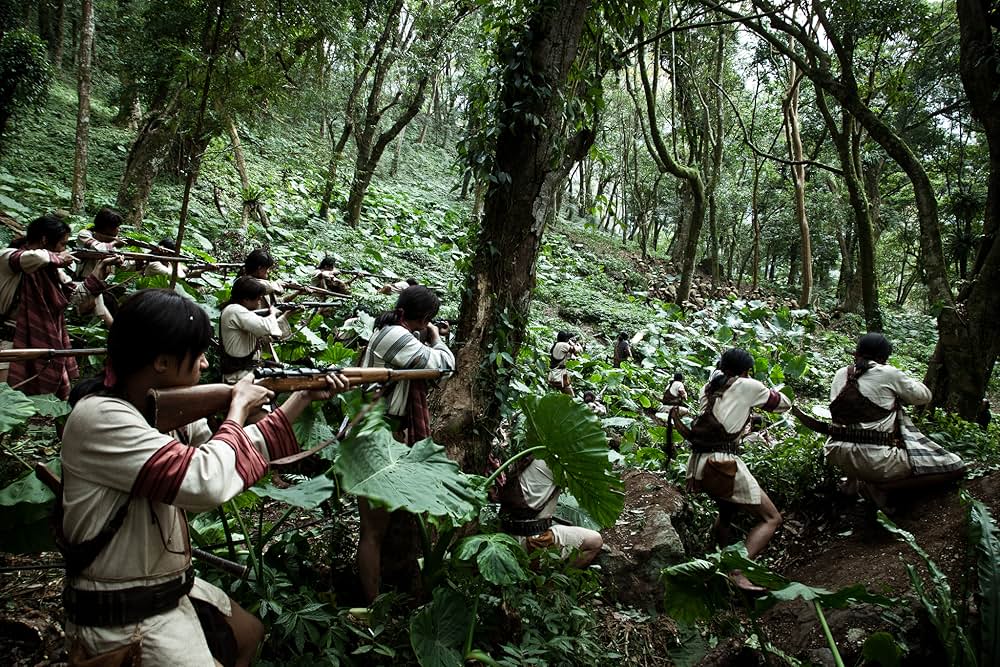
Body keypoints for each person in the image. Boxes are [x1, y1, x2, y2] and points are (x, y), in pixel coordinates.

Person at [59, 288, 349, 666]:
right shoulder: (99, 418)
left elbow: (224, 453)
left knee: (248, 635)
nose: (205, 364)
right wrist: (237, 408)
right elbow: (206, 480)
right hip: (122, 610)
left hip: (163, 590)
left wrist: (300, 398)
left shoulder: (160, 414)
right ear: (162, 362)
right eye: (196, 356)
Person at [357, 285, 454, 602]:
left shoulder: (391, 332)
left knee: (380, 529)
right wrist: (437, 337)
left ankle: (379, 596)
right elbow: (442, 365)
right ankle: (370, 606)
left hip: (382, 435)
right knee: (372, 531)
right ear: (425, 317)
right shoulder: (397, 336)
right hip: (378, 437)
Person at [682, 348, 790, 591]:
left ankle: (717, 561)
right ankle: (737, 571)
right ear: (746, 371)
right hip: (723, 464)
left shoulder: (709, 388)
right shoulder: (747, 385)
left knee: (727, 512)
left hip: (698, 463)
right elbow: (783, 405)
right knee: (772, 518)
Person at [824, 333, 965, 508]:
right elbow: (924, 396)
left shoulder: (841, 374)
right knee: (956, 467)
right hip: (875, 460)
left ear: (856, 353)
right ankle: (881, 486)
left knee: (854, 430)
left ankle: (854, 483)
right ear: (883, 357)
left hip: (836, 454)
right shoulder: (888, 373)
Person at [0, 215, 118, 397]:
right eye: (62, 244)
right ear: (45, 240)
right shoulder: (10, 258)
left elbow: (75, 295)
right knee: (6, 400)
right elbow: (32, 258)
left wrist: (99, 271)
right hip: (9, 340)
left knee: (60, 398)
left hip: (44, 339)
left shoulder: (53, 270)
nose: (65, 249)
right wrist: (57, 258)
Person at [496, 456, 603, 568]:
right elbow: (592, 483)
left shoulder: (532, 456)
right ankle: (553, 582)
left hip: (506, 534)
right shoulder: (555, 462)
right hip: (532, 540)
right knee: (595, 541)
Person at [219, 276, 289, 383]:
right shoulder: (234, 310)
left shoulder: (239, 311)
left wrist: (286, 315)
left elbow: (267, 335)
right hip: (238, 377)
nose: (260, 300)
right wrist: (272, 313)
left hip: (246, 374)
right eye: (257, 297)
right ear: (246, 299)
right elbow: (265, 327)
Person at [76, 208, 124, 327]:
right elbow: (99, 249)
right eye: (116, 226)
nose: (119, 229)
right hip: (84, 284)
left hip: (101, 286)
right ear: (107, 227)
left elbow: (124, 264)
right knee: (106, 319)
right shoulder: (84, 234)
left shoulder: (109, 242)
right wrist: (113, 243)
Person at [547, 331, 582, 397]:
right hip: (559, 375)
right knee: (571, 396)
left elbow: (570, 355)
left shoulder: (557, 344)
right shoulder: (564, 345)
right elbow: (577, 350)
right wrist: (578, 345)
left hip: (554, 373)